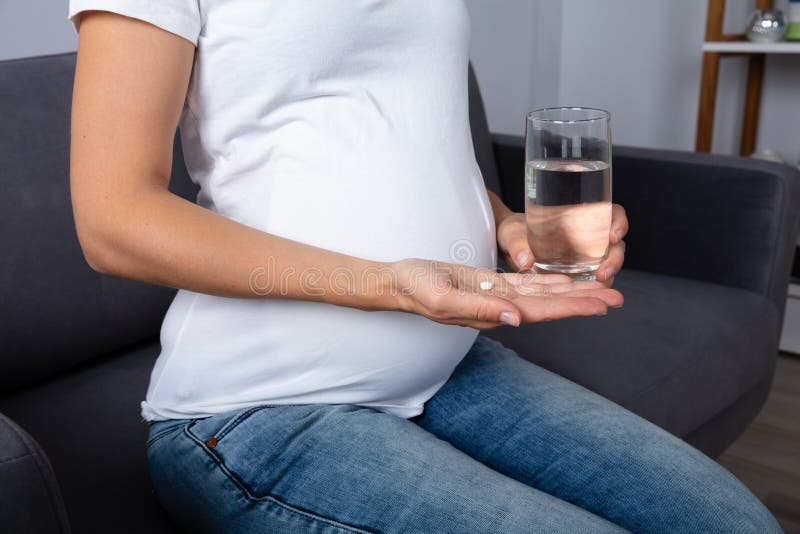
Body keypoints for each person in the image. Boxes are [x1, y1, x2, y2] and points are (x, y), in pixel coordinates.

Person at [67, 1, 781, 532]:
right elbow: (115, 221)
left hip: (447, 366)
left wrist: (505, 221)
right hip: (263, 409)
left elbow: (403, 140)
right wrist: (387, 285)